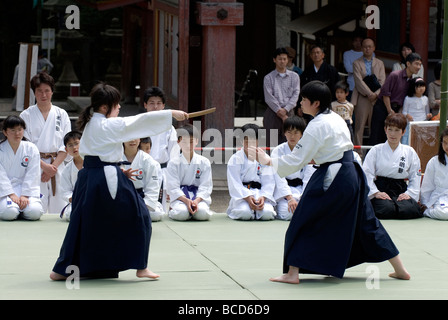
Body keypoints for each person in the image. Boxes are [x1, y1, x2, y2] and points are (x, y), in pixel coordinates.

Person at [254, 80, 410, 284]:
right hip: (350, 173)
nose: (300, 102)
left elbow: (295, 160)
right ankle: (400, 269)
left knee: (303, 218)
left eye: (304, 99)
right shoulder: (335, 118)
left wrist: (267, 160)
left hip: (333, 176)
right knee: (367, 222)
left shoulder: (316, 126)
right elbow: (329, 149)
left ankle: (292, 273)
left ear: (316, 103)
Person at [49, 83, 188, 281]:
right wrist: (171, 114)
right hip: (105, 177)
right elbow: (138, 121)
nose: (120, 107)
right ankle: (141, 266)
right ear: (105, 108)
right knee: (141, 216)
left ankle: (65, 269)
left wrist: (120, 172)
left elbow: (106, 149)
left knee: (87, 223)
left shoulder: (91, 123)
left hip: (93, 177)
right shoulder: (106, 125)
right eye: (116, 104)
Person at [19, 72, 71, 214]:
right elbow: (25, 145)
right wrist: (44, 167)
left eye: (47, 91)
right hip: (34, 166)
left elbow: (66, 144)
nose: (43, 95)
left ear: (52, 92)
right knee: (35, 209)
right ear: (34, 93)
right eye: (39, 91)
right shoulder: (26, 115)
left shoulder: (62, 114)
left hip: (57, 166)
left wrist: (52, 168)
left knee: (60, 208)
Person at [363, 113, 422, 220]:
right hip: (381, 188)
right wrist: (376, 192)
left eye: (397, 130)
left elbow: (415, 176)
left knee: (408, 210)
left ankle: (399, 205)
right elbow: (367, 173)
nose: (392, 134)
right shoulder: (376, 150)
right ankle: (389, 204)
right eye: (390, 129)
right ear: (385, 129)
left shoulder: (409, 151)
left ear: (403, 132)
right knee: (385, 209)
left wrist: (409, 193)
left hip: (400, 189)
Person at [369, 53, 422, 145]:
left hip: (396, 111)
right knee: (376, 136)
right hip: (383, 107)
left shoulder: (412, 81)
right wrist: (390, 111)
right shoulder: (395, 75)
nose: (419, 67)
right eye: (416, 64)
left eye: (420, 64)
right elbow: (385, 94)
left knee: (391, 137)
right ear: (408, 64)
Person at [227, 124, 276, 220]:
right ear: (241, 141)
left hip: (260, 193)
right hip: (243, 196)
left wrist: (263, 196)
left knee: (267, 213)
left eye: (253, 141)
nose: (250, 144)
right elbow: (234, 183)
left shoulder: (264, 157)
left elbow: (269, 181)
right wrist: (247, 197)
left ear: (258, 141)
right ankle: (247, 210)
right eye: (247, 141)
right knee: (245, 213)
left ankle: (258, 209)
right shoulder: (235, 159)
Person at [143, 86, 180, 211]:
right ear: (145, 105)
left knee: (160, 210)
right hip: (143, 171)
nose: (155, 107)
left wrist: (172, 183)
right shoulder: (139, 126)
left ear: (163, 106)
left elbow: (174, 157)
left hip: (162, 171)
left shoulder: (169, 128)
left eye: (159, 103)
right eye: (151, 103)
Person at [271, 116, 315, 221]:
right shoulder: (278, 151)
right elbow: (278, 176)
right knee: (288, 214)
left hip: (302, 191)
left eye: (296, 132)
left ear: (301, 134)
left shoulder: (307, 151)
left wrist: (304, 198)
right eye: (289, 132)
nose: (292, 136)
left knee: (309, 212)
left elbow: (308, 176)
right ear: (284, 133)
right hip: (285, 193)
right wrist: (290, 198)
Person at [0, 116, 43, 221]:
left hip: (26, 189)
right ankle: (16, 210)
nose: (17, 133)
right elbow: (1, 175)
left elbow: (33, 173)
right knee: (9, 213)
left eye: (20, 130)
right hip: (5, 190)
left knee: (35, 212)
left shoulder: (31, 148)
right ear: (5, 132)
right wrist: (11, 193)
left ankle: (23, 210)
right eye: (13, 130)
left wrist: (25, 195)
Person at [166, 124, 213, 221]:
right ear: (178, 142)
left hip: (198, 197)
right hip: (181, 198)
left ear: (197, 141)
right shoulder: (173, 163)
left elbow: (206, 186)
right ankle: (173, 210)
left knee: (202, 213)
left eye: (191, 142)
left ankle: (193, 209)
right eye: (184, 142)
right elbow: (173, 187)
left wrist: (196, 201)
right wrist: (186, 201)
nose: (188, 145)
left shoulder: (204, 162)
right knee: (182, 213)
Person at [351, 37, 386, 147]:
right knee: (359, 126)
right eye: (365, 47)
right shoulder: (356, 63)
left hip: (377, 98)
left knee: (375, 127)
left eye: (370, 47)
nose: (367, 49)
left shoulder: (380, 63)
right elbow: (358, 81)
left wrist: (376, 94)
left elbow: (383, 81)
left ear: (374, 48)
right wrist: (369, 93)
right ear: (362, 48)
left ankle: (372, 153)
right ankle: (358, 153)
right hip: (362, 97)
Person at [263, 47, 300, 147]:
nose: (282, 61)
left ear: (288, 60)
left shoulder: (294, 76)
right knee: (271, 143)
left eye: (284, 59)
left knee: (290, 143)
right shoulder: (268, 78)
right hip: (273, 113)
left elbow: (296, 94)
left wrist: (286, 109)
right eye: (280, 59)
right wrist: (282, 114)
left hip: (290, 112)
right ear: (274, 60)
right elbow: (269, 98)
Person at [122, 138, 165, 222]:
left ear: (139, 139)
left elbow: (152, 187)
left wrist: (143, 206)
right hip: (121, 197)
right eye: (129, 137)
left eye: (136, 137)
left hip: (141, 198)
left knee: (155, 214)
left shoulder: (148, 161)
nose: (132, 141)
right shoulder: (115, 158)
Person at [420, 128, 448, 220]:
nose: (447, 146)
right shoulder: (434, 161)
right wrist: (426, 204)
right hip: (440, 197)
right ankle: (428, 212)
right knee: (444, 213)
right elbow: (427, 186)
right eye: (445, 142)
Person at [136, 136, 165, 221]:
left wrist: (146, 203)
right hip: (135, 196)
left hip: (147, 198)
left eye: (147, 148)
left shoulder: (154, 164)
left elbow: (155, 187)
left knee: (156, 214)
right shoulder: (131, 161)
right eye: (142, 149)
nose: (145, 151)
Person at [59, 131, 83, 222]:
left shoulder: (94, 163)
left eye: (77, 143)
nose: (74, 147)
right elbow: (65, 191)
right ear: (66, 149)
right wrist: (72, 198)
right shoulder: (67, 169)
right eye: (70, 145)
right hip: (76, 200)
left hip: (93, 199)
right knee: (70, 214)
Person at [401, 77, 432, 145]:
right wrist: (407, 115)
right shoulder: (408, 98)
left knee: (421, 142)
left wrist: (428, 116)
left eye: (423, 86)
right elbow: (404, 112)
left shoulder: (425, 99)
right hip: (411, 124)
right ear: (413, 87)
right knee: (408, 140)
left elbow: (427, 112)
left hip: (422, 123)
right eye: (418, 87)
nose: (421, 88)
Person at [343, 35, 364, 99]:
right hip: (351, 86)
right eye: (356, 41)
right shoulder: (347, 54)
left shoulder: (369, 54)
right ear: (352, 42)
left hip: (365, 87)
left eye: (360, 41)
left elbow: (369, 70)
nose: (358, 43)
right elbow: (348, 69)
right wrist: (362, 69)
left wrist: (355, 68)